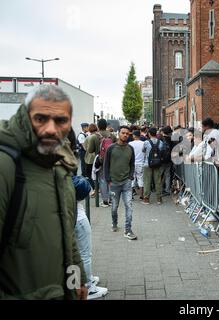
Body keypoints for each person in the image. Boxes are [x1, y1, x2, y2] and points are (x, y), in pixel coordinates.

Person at [0, 84, 87, 299]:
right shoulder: (6, 164)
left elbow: (68, 236)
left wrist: (77, 281)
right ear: (24, 116)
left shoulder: (59, 168)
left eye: (60, 121)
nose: (51, 129)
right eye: (41, 119)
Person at [72, 175, 108, 299]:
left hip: (72, 218)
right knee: (84, 255)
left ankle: (78, 285)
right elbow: (81, 188)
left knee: (74, 254)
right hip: (78, 219)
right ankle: (88, 288)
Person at [103, 126, 137, 240]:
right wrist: (108, 180)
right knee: (114, 207)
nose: (125, 135)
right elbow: (106, 165)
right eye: (123, 133)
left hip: (126, 183)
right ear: (119, 134)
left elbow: (132, 163)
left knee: (129, 206)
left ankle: (128, 230)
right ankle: (114, 223)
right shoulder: (111, 148)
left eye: (127, 133)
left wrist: (131, 176)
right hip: (114, 183)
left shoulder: (130, 148)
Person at [142, 127, 163, 205]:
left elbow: (143, 151)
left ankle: (146, 199)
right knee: (158, 181)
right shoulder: (160, 142)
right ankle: (159, 199)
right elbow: (161, 151)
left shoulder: (146, 142)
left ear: (149, 134)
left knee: (147, 181)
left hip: (147, 164)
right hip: (157, 163)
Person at [129, 130, 145, 200]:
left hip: (132, 163)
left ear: (134, 136)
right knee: (140, 178)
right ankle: (141, 195)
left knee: (132, 179)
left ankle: (131, 195)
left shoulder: (130, 143)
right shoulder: (143, 143)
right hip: (141, 163)